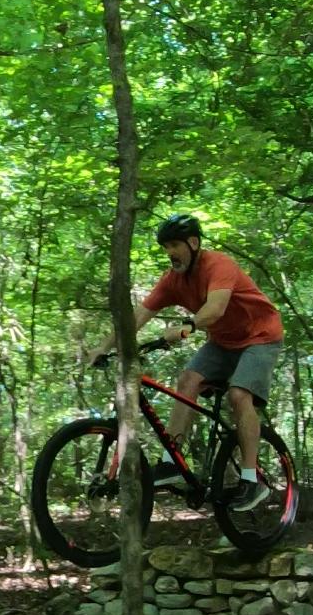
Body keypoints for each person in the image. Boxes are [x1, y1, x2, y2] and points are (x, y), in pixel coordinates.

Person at [87, 213, 284, 511]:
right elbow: (137, 317)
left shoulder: (219, 265)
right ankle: (173, 462)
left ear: (193, 243)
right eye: (165, 246)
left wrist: (188, 326)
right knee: (187, 381)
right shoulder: (172, 281)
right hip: (223, 342)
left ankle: (250, 480)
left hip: (261, 337)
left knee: (238, 394)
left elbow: (215, 308)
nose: (169, 252)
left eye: (175, 245)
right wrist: (102, 348)